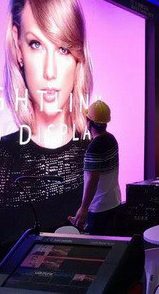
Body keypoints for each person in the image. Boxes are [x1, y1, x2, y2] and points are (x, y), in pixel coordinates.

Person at [0, 0, 93, 237]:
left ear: (77, 55)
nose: (49, 71)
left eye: (63, 49)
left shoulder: (94, 152)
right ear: (18, 45)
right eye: (36, 44)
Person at [69, 100, 121, 235]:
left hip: (99, 208)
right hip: (114, 202)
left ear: (89, 122)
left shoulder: (94, 148)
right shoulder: (112, 139)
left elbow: (93, 179)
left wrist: (83, 208)